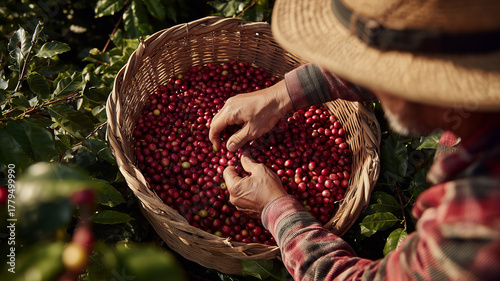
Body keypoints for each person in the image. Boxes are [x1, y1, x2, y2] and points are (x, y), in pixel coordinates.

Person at [208, 0, 500, 280]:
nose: (366, 78)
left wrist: (275, 208)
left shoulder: (482, 222)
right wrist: (279, 96)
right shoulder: (475, 82)